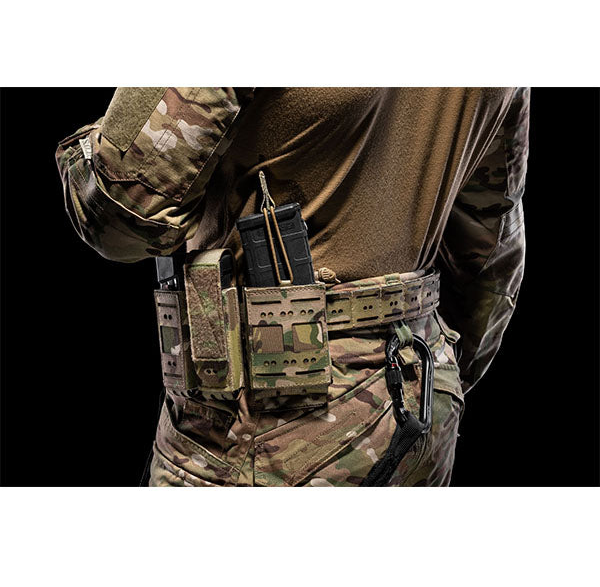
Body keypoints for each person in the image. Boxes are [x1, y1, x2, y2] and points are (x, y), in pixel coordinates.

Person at [56, 87, 530, 486]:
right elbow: (489, 248)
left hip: (262, 428)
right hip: (419, 402)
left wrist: (91, 151)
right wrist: (436, 373)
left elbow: (122, 215)